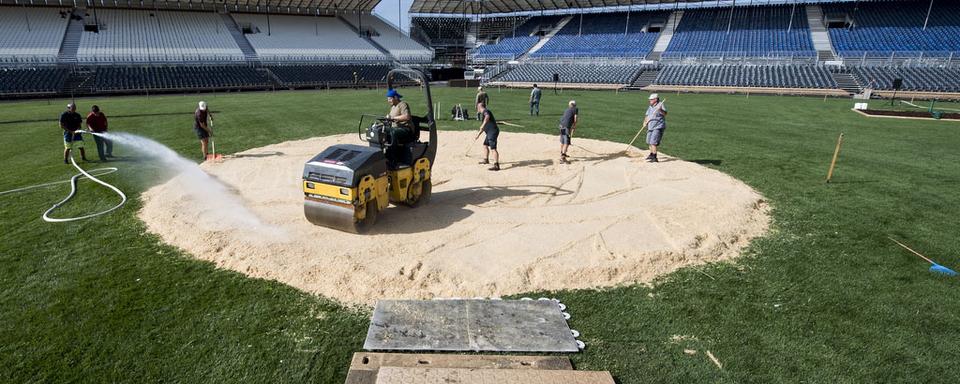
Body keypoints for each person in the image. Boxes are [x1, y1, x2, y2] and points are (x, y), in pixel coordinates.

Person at [385, 89, 415, 165]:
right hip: (396, 128)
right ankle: (384, 154)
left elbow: (406, 117)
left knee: (393, 133)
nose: (388, 100)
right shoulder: (393, 107)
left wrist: (393, 118)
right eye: (388, 99)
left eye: (390, 98)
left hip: (406, 129)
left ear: (395, 97)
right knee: (381, 130)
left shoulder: (403, 104)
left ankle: (394, 157)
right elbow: (391, 118)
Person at [475, 102, 500, 171]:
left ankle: (496, 165)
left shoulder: (486, 111)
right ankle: (486, 159)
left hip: (492, 132)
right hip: (489, 132)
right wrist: (478, 135)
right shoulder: (483, 114)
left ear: (480, 107)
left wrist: (483, 125)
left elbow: (487, 117)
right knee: (485, 145)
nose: (477, 109)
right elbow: (483, 127)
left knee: (493, 148)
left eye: (477, 107)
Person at [644, 93, 668, 163]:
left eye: (651, 99)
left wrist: (660, 110)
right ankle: (651, 154)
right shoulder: (650, 106)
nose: (649, 100)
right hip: (650, 126)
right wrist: (645, 122)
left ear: (655, 99)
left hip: (658, 126)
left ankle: (655, 157)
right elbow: (647, 115)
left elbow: (665, 114)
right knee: (648, 141)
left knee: (653, 142)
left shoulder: (660, 105)